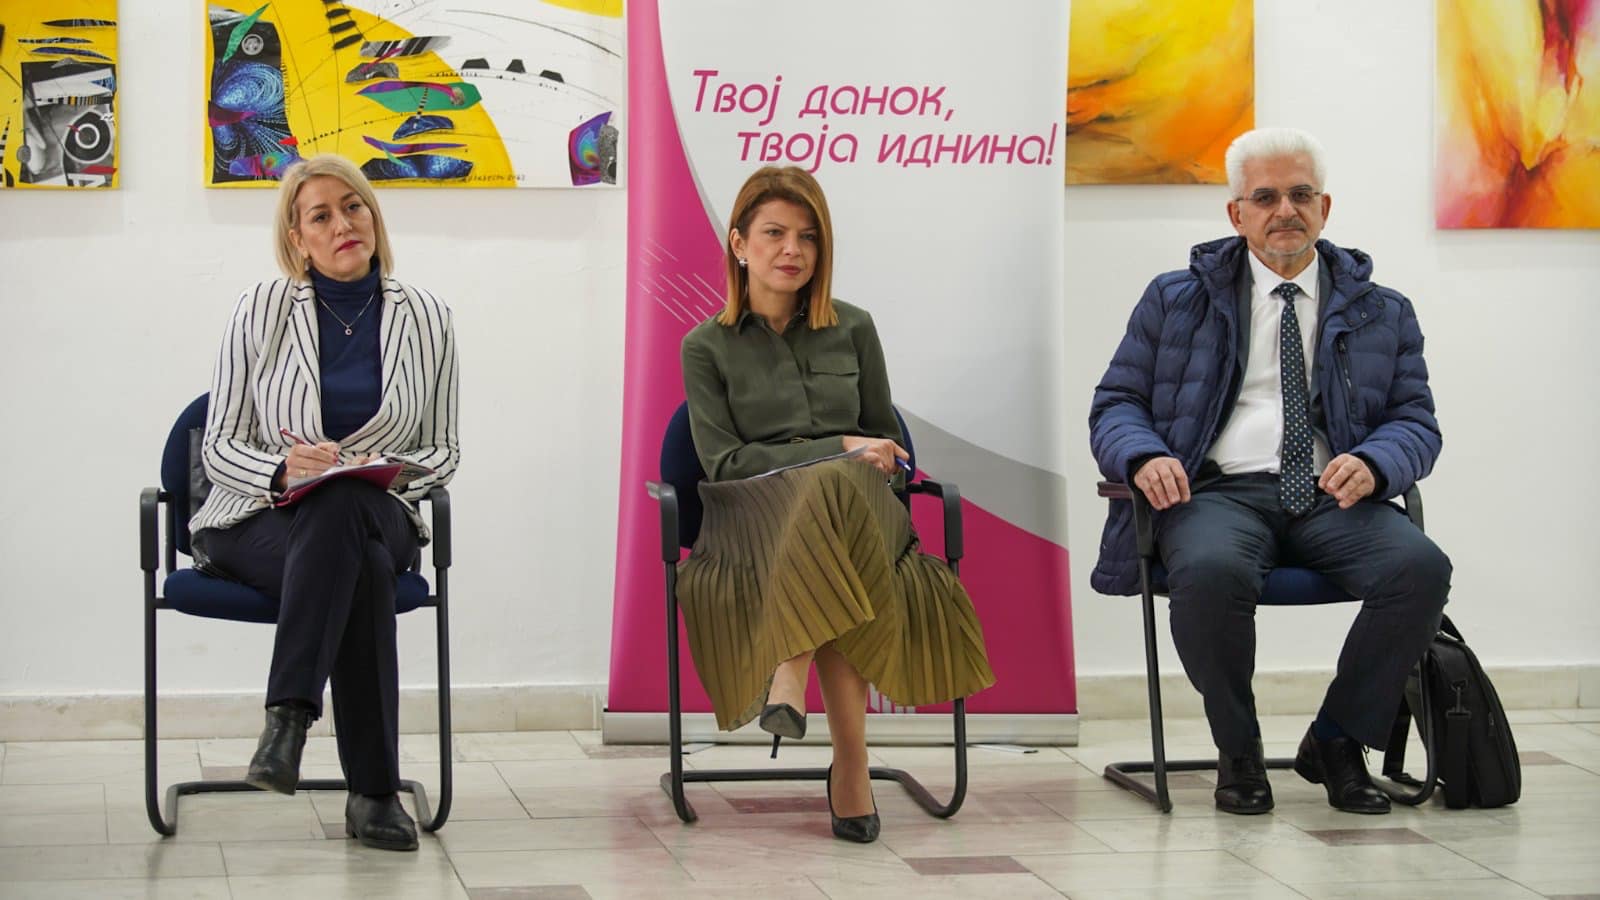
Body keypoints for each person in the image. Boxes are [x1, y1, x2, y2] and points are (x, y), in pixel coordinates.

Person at [1089, 128, 1450, 816]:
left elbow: (1416, 421)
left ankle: (1337, 740)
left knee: (1421, 569)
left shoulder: (1383, 310)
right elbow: (1117, 404)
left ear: (1325, 207)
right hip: (1216, 494)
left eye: (1301, 194)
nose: (1285, 210)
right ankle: (1240, 750)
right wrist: (1145, 455)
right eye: (1265, 197)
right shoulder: (1175, 299)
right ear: (1237, 213)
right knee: (1212, 573)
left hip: (1334, 497)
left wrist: (1376, 463)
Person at [677, 165, 995, 843]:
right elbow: (724, 464)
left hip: (862, 514)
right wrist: (839, 446)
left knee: (840, 489)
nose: (793, 249)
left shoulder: (854, 328)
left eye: (809, 236)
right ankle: (851, 766)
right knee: (833, 487)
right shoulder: (704, 347)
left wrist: (856, 455)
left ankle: (788, 674)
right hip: (755, 524)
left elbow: (888, 447)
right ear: (739, 243)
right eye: (774, 233)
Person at [188, 154, 460, 850]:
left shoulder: (428, 318)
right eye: (321, 215)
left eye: (354, 206)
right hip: (260, 518)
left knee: (343, 507)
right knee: (360, 567)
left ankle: (287, 720)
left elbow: (444, 449)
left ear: (374, 215)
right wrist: (282, 470)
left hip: (381, 508)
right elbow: (218, 445)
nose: (343, 223)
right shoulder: (261, 310)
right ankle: (374, 796)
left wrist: (377, 473)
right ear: (297, 238)